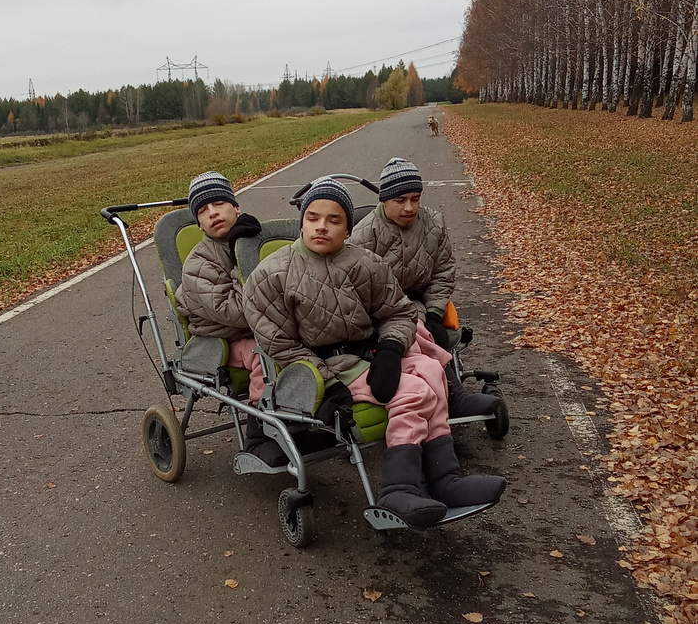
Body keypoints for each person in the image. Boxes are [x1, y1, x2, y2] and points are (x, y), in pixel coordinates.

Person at [242, 176, 506, 527]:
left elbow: (398, 312)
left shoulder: (365, 262)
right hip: (324, 365)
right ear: (302, 222)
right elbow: (279, 344)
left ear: (348, 229)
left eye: (334, 220)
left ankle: (445, 480)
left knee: (432, 370)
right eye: (313, 218)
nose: (322, 226)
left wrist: (391, 349)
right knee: (414, 392)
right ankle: (398, 490)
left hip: (368, 352)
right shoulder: (270, 275)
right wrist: (325, 383)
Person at [351, 157, 500, 419]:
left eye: (415, 199)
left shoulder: (433, 224)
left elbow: (443, 273)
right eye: (400, 200)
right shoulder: (363, 235)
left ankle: (438, 394)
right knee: (413, 330)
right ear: (384, 200)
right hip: (379, 309)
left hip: (417, 301)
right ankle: (452, 396)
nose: (409, 207)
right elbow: (353, 288)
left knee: (420, 324)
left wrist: (434, 313)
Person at [173, 171, 283, 464]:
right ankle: (259, 435)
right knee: (265, 353)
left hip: (266, 325)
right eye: (203, 211)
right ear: (199, 224)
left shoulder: (256, 240)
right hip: (226, 337)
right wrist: (240, 261)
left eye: (219, 203)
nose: (213, 213)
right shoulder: (198, 265)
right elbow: (237, 313)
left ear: (236, 207)